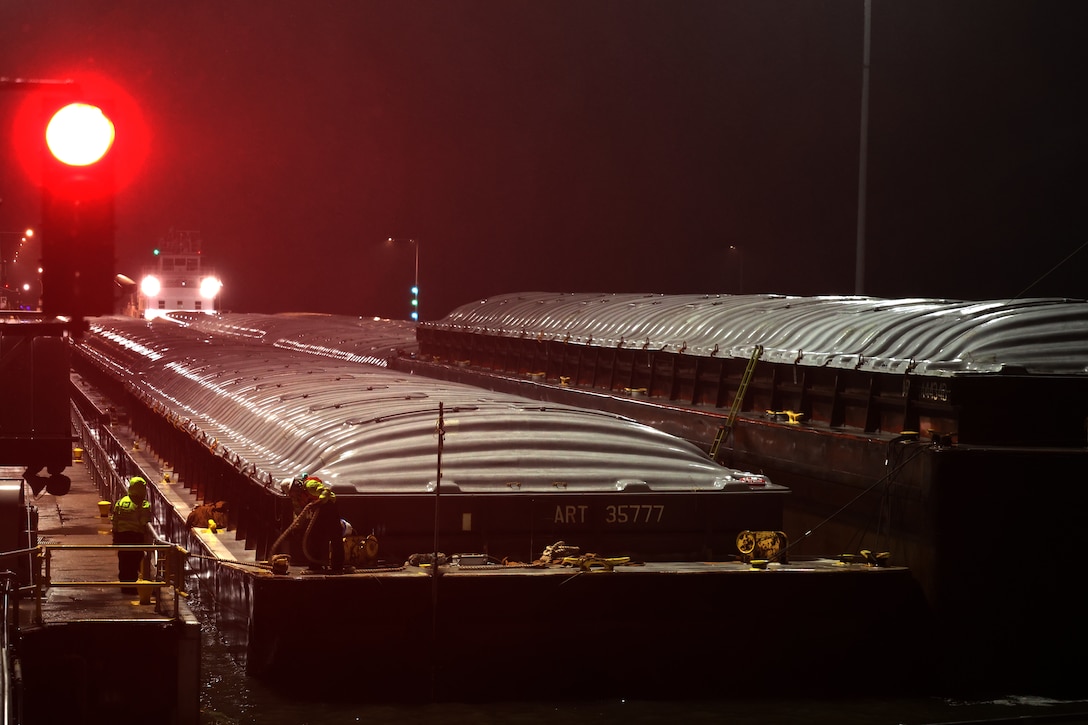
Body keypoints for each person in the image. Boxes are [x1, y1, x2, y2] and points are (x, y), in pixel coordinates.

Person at [112, 476, 152, 594]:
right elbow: (144, 522)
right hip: (135, 537)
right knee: (134, 562)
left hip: (121, 536)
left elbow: (115, 520)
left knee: (123, 560)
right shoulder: (143, 505)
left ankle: (124, 585)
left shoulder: (121, 501)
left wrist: (115, 536)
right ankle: (132, 586)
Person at [300, 475, 346, 574]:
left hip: (329, 506)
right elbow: (298, 510)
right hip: (318, 510)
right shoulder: (297, 496)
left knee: (335, 536)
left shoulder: (310, 485)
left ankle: (337, 566)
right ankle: (315, 565)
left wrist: (319, 501)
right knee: (315, 536)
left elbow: (326, 491)